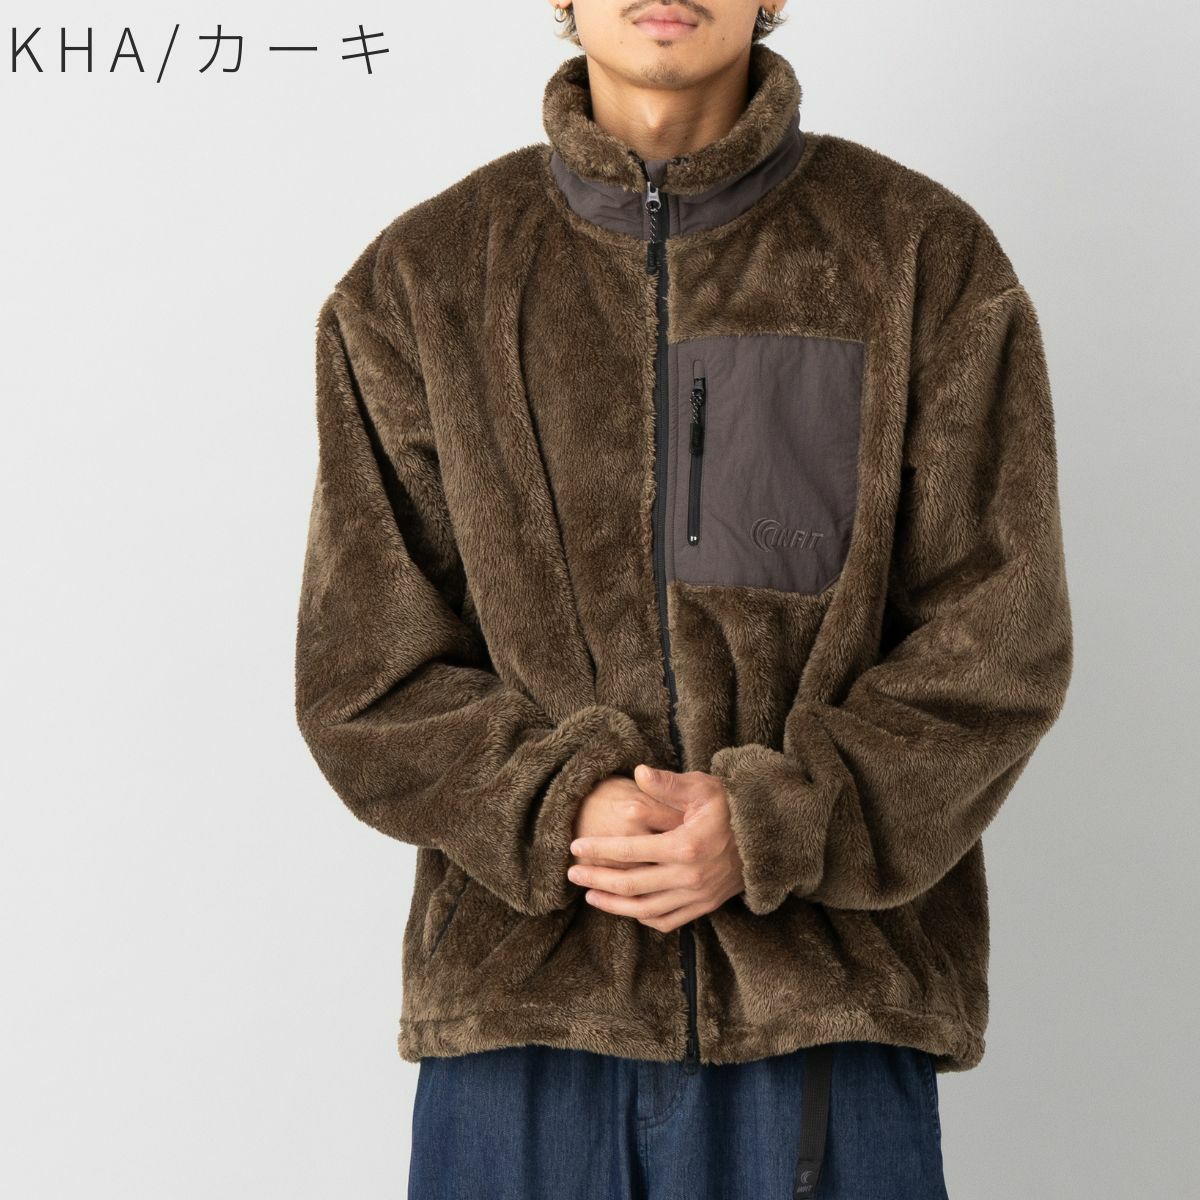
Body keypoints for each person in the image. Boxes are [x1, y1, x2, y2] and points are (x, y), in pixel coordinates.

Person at [293, 2, 1074, 1196]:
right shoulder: (420, 282)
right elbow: (365, 673)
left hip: (820, 1016)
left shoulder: (921, 257)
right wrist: (559, 805)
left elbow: (997, 643)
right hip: (522, 1020)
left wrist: (777, 821)